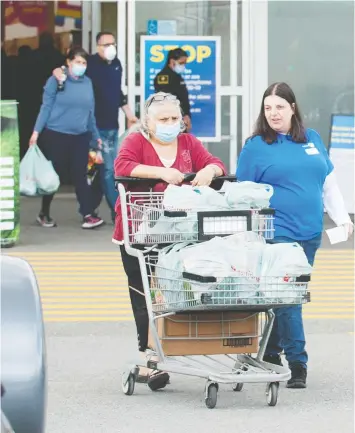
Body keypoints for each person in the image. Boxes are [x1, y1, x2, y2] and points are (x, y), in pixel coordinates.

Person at [236, 82, 354, 389]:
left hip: (310, 233)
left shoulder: (311, 139)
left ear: (292, 108)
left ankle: (270, 352)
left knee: (284, 297)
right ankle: (297, 360)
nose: (273, 113)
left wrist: (342, 220)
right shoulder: (256, 146)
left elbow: (328, 184)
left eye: (279, 107)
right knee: (290, 297)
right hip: (276, 233)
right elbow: (243, 195)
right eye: (267, 108)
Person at [113, 92, 226, 389]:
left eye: (175, 119)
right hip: (139, 231)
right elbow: (123, 167)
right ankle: (150, 355)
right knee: (146, 295)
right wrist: (162, 172)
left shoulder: (189, 143)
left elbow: (216, 163)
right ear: (148, 123)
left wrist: (208, 170)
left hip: (177, 231)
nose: (170, 124)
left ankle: (172, 347)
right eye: (163, 119)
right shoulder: (136, 142)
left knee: (176, 290)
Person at [53, 31, 138, 221]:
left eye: (112, 44)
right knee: (109, 170)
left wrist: (129, 114)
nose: (110, 48)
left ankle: (90, 207)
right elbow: (68, 71)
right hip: (95, 127)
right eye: (106, 44)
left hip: (112, 126)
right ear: (97, 47)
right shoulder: (89, 64)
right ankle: (118, 211)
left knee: (103, 169)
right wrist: (58, 71)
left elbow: (117, 93)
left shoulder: (116, 65)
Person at [29, 47, 104, 229]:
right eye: (77, 62)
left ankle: (87, 214)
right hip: (56, 134)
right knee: (55, 175)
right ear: (68, 62)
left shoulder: (87, 83)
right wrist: (36, 132)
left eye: (84, 63)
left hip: (80, 136)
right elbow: (46, 107)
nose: (81, 66)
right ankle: (44, 213)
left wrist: (96, 136)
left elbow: (90, 113)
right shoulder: (56, 80)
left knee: (81, 174)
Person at [154, 48, 192, 132]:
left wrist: (186, 115)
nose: (183, 66)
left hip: (181, 120)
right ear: (172, 61)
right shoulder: (163, 78)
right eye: (181, 63)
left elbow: (183, 98)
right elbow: (166, 100)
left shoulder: (177, 77)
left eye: (184, 63)